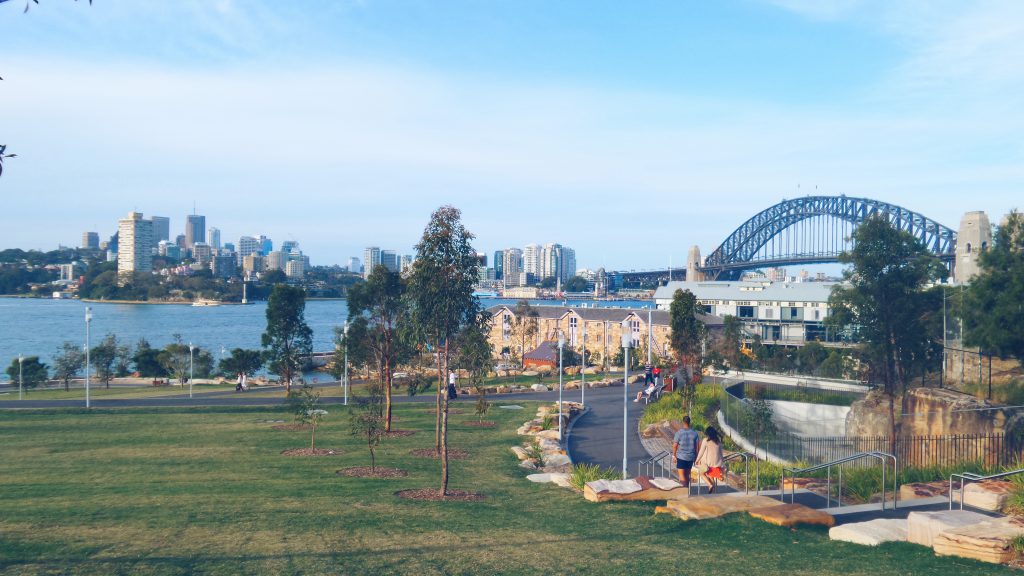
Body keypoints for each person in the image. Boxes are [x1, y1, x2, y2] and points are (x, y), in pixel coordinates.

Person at [671, 416, 700, 488]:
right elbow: (697, 447)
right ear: (689, 422)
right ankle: (687, 490)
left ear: (683, 422)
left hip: (681, 457)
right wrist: (696, 458)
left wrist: (674, 455)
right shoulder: (694, 433)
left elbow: (675, 446)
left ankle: (684, 491)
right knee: (687, 475)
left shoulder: (679, 433)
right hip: (691, 457)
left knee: (681, 475)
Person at [695, 425, 725, 493]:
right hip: (717, 464)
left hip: (709, 464)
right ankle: (712, 492)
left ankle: (710, 485)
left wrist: (697, 460)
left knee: (701, 473)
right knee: (710, 476)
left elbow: (701, 452)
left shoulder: (706, 440)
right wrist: (722, 464)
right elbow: (721, 454)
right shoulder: (718, 442)